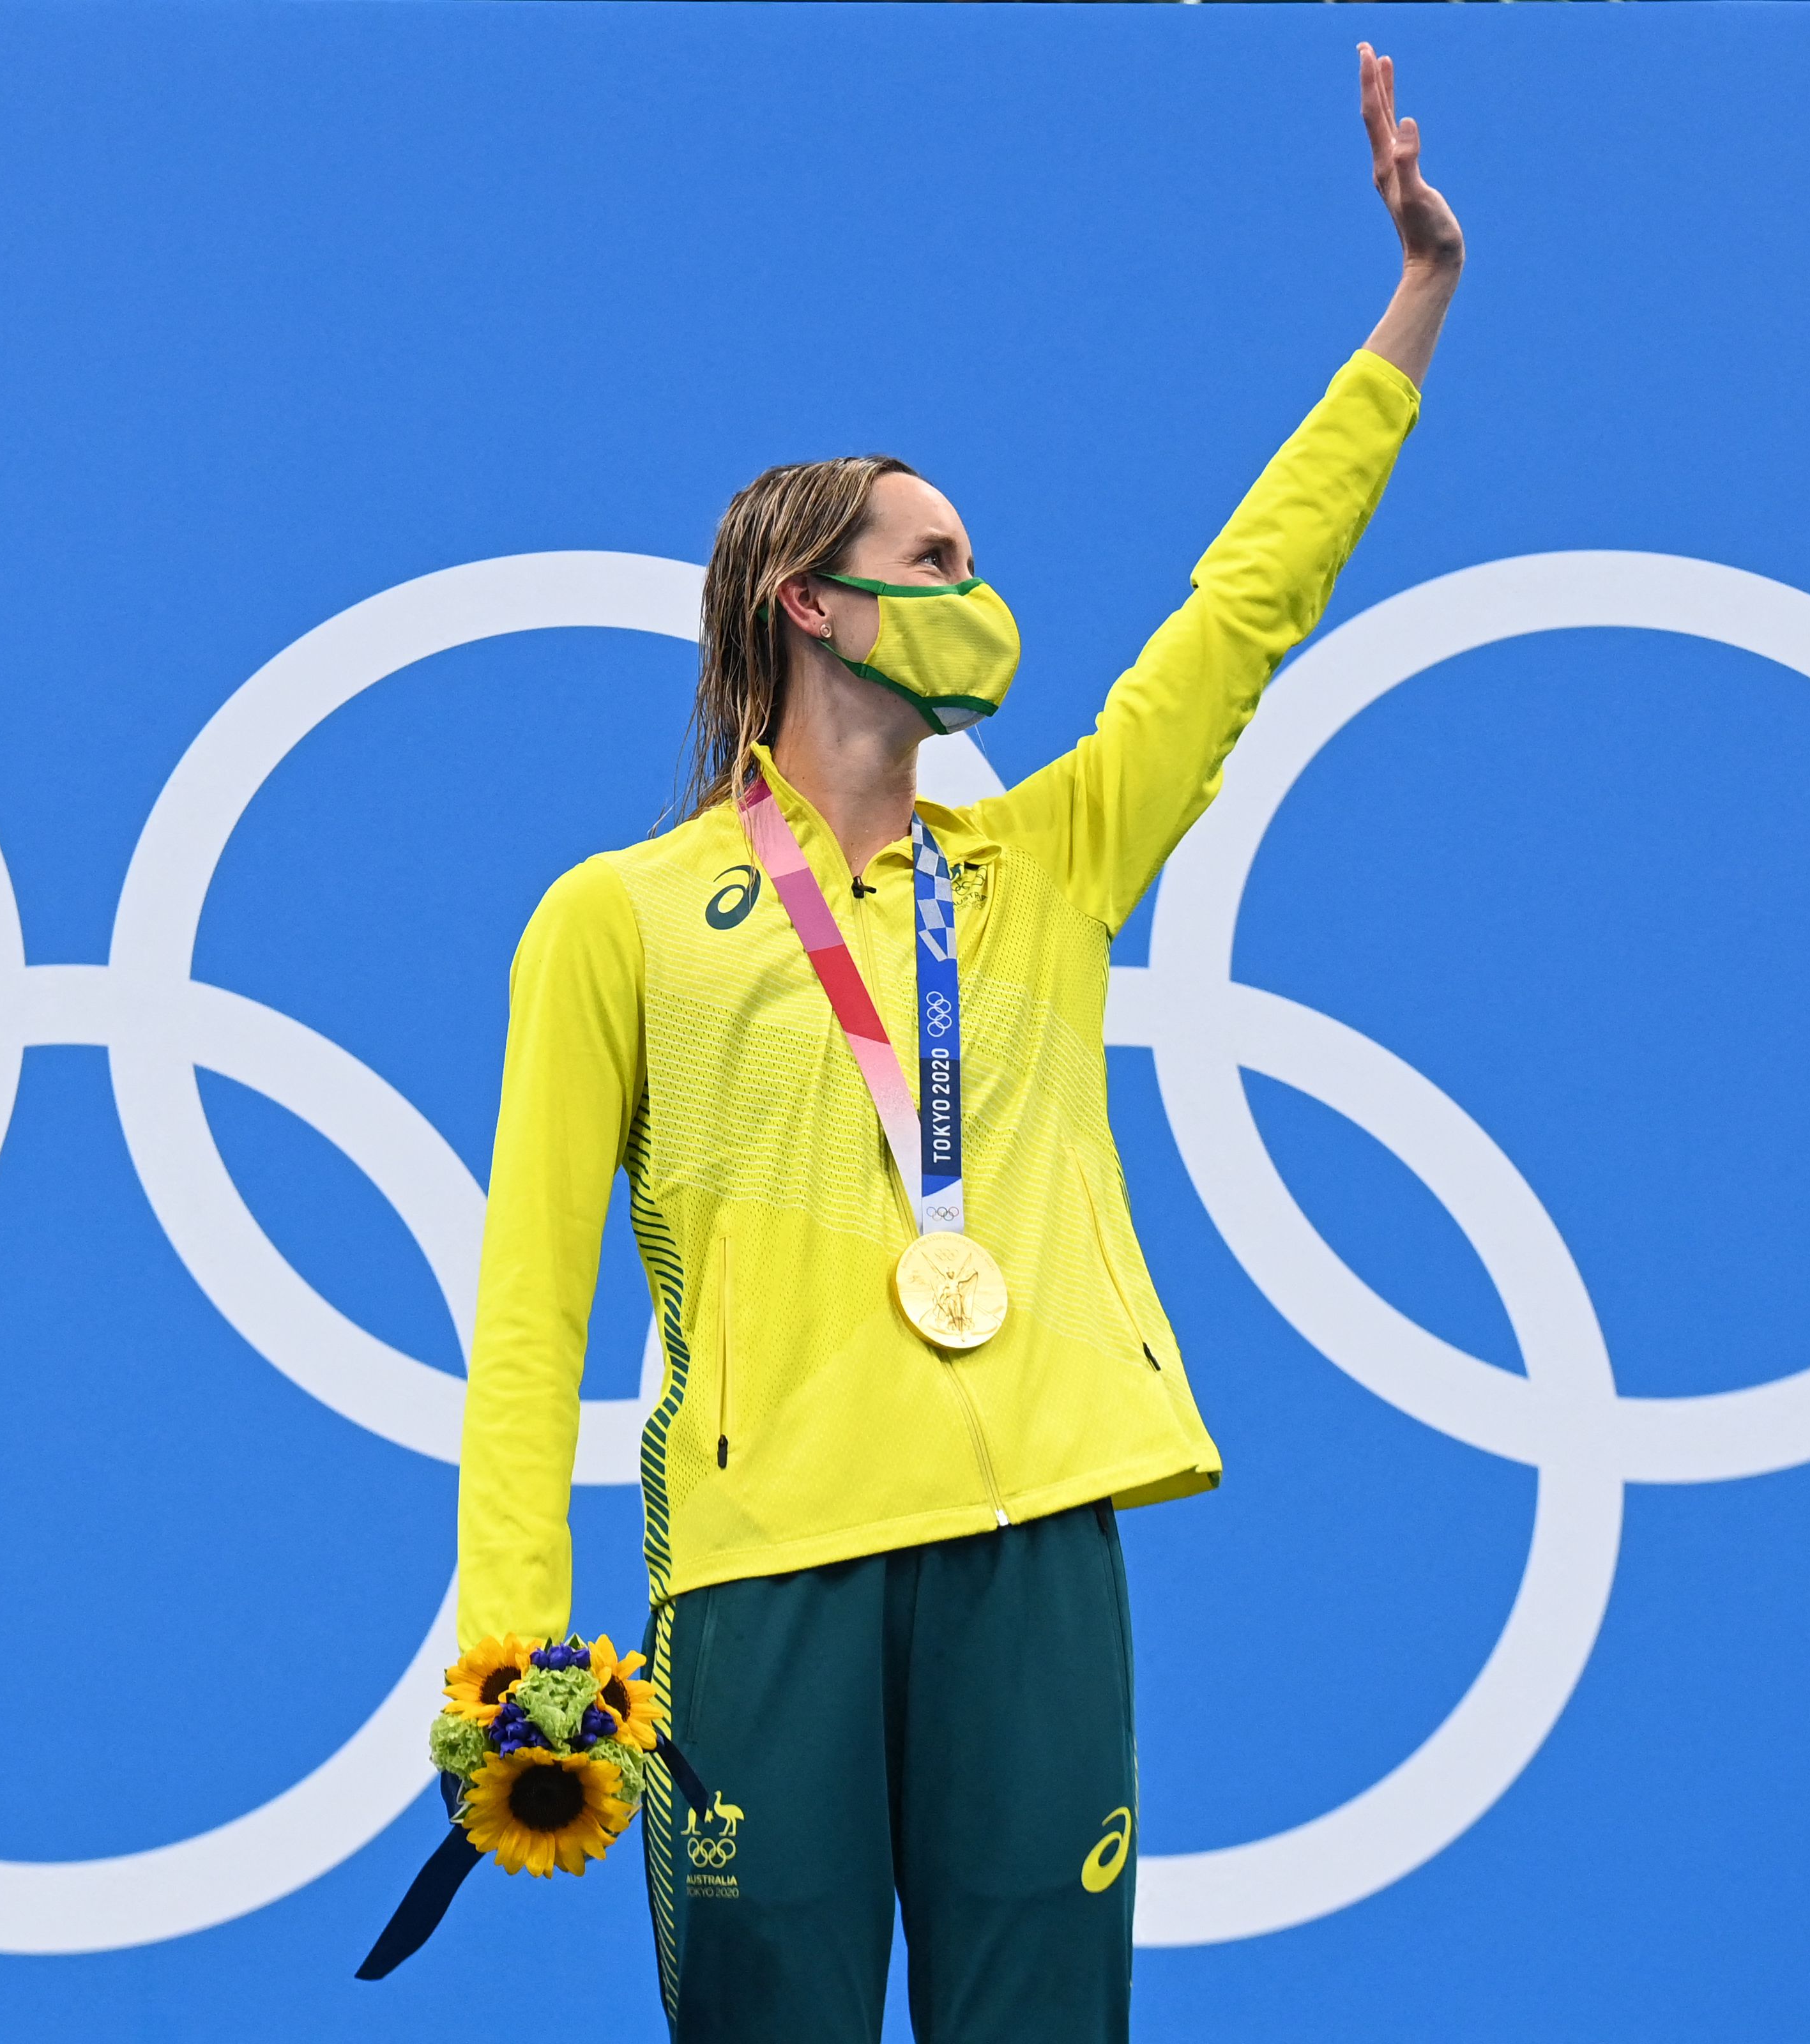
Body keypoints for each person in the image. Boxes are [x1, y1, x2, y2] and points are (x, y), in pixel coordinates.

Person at [456, 43, 1464, 2043]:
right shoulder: (617, 919)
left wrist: (1413, 306)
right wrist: (509, 1651)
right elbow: (524, 1311)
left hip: (1032, 1552)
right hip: (761, 1578)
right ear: (804, 606)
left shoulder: (1054, 862)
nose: (977, 592)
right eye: (933, 561)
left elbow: (1244, 613)